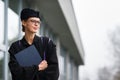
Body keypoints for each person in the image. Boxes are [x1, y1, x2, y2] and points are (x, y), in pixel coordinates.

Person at [8, 8, 59, 80]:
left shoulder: (46, 43)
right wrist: (38, 67)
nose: (36, 24)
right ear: (24, 22)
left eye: (38, 22)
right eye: (32, 21)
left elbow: (54, 74)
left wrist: (28, 73)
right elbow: (17, 74)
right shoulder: (15, 47)